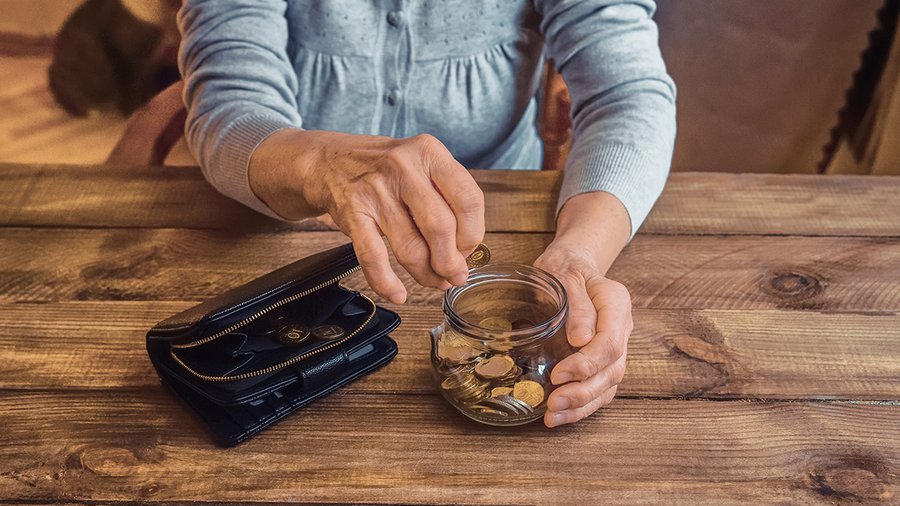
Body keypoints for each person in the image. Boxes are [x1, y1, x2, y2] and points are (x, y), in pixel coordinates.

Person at [178, 0, 676, 428]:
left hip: (507, 212)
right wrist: (317, 164)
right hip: (287, 230)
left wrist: (579, 255)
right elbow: (230, 101)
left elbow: (627, 95)